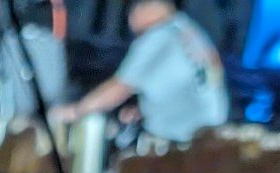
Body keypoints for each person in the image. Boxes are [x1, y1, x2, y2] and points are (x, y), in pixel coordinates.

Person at [54, 0, 227, 145]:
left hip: (183, 143)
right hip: (209, 134)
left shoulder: (160, 37)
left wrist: (76, 111)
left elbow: (117, 89)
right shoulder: (186, 28)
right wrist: (143, 110)